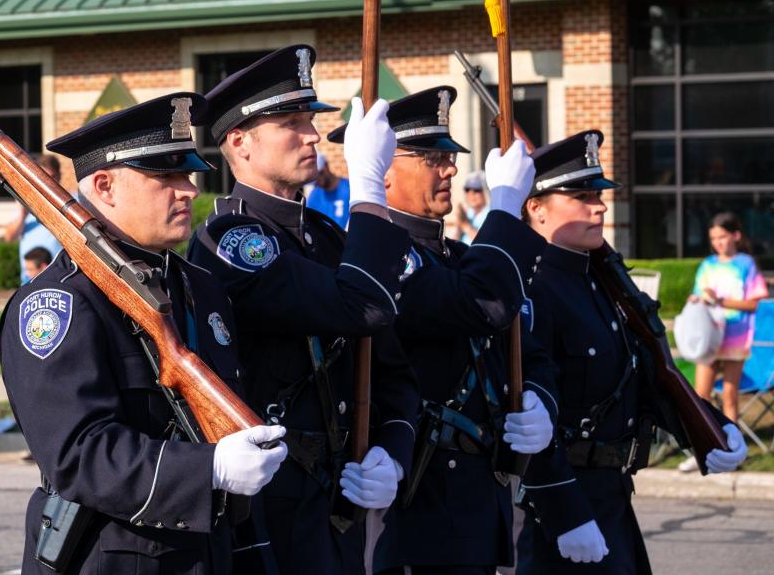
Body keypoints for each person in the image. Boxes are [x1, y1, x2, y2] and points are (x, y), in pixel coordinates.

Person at [0, 93, 287, 575]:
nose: (189, 190)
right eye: (165, 176)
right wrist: (207, 469)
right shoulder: (60, 303)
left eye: (188, 173)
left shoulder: (200, 287)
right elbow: (76, 453)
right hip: (113, 558)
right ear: (106, 185)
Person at [188, 45, 419, 574]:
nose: (314, 136)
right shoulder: (231, 239)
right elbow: (361, 307)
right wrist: (367, 187)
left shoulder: (324, 235)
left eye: (310, 121)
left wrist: (393, 448)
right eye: (292, 123)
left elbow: (393, 370)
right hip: (274, 507)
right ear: (240, 143)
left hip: (339, 500)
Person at [328, 86, 557, 575]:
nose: (451, 169)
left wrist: (541, 399)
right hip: (419, 504)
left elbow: (529, 351)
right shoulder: (383, 262)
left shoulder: (455, 256)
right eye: (433, 157)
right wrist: (506, 205)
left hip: (474, 502)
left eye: (449, 156)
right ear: (384, 166)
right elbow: (479, 306)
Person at [515, 130, 748, 574]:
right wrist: (566, 513)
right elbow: (526, 418)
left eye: (598, 194)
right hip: (556, 513)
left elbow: (646, 378)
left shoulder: (601, 283)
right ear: (535, 207)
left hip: (613, 497)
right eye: (581, 196)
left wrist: (711, 425)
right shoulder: (531, 289)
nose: (599, 206)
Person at [678, 212, 769, 472]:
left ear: (736, 236)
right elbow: (698, 294)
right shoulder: (707, 264)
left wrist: (721, 301)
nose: (718, 242)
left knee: (730, 395)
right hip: (708, 335)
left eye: (722, 237)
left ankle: (731, 451)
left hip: (736, 337)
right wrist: (698, 300)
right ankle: (702, 449)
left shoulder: (745, 264)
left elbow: (753, 303)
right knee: (700, 396)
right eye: (713, 238)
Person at [4, 153, 63, 285]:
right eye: (44, 177)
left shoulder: (72, 202)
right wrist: (22, 215)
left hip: (58, 276)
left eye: (52, 177)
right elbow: (9, 237)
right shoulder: (27, 202)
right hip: (29, 278)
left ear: (59, 175)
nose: (48, 182)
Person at [306, 152, 350, 229]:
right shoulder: (314, 196)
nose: (316, 183)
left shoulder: (350, 188)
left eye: (318, 175)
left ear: (326, 166)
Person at [453, 170, 489, 245]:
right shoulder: (468, 214)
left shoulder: (492, 214)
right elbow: (455, 242)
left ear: (485, 191)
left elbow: (486, 243)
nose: (471, 194)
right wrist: (459, 224)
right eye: (467, 189)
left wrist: (465, 225)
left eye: (476, 190)